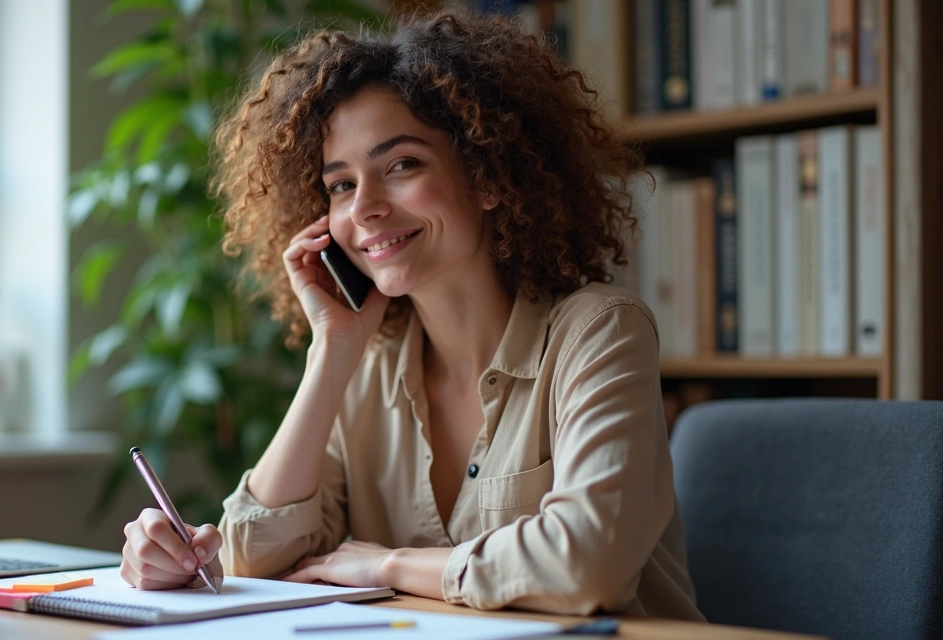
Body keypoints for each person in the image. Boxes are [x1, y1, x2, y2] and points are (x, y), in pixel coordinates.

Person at [119, 6, 704, 620]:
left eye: (401, 165)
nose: (365, 207)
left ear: (487, 175)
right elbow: (251, 559)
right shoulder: (365, 367)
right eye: (341, 184)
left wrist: (387, 564)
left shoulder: (600, 331)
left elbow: (588, 566)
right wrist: (331, 353)